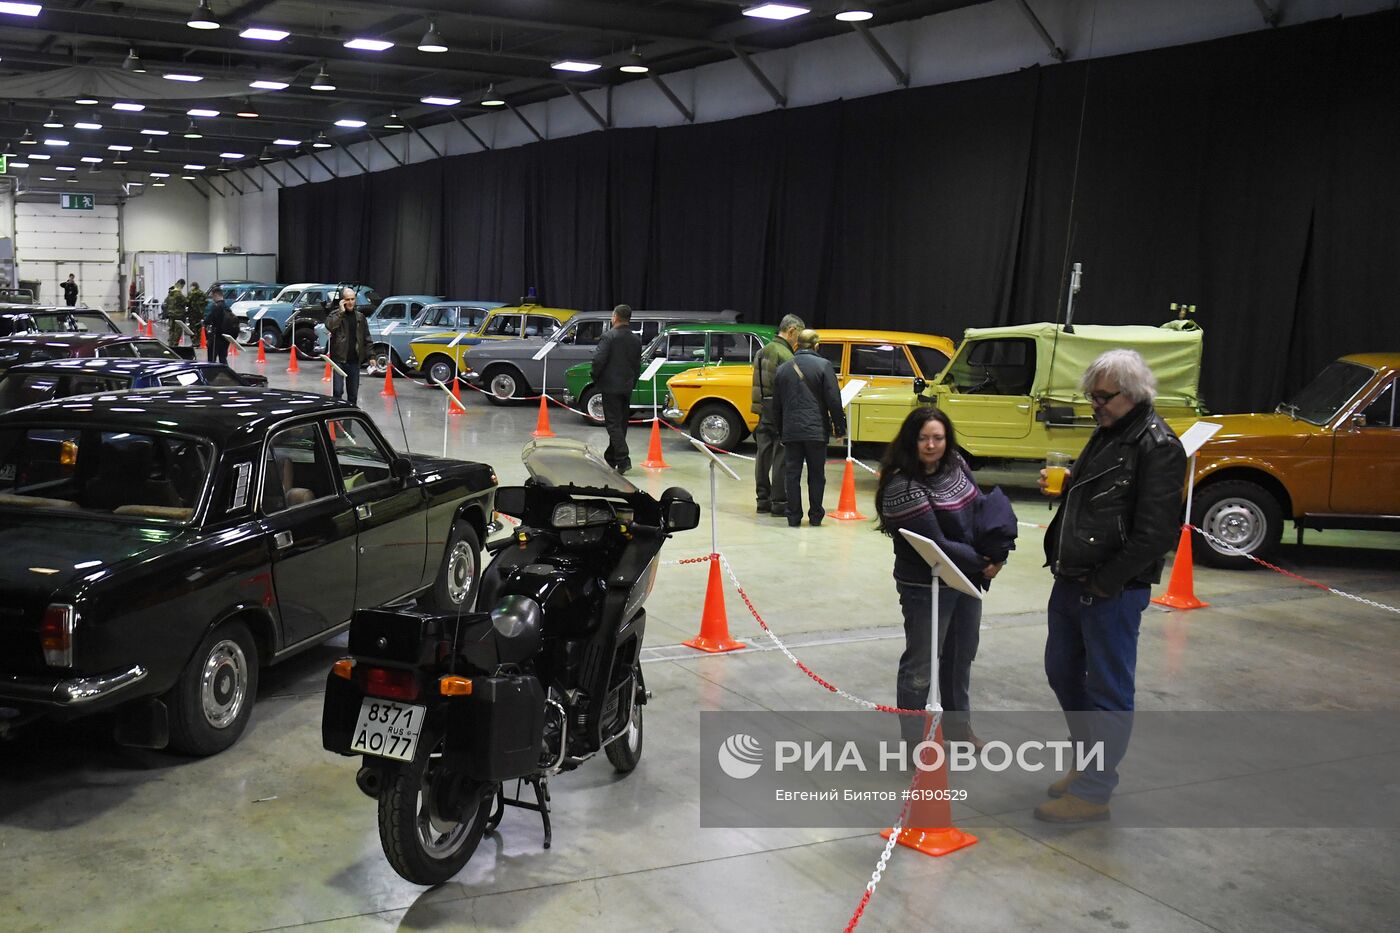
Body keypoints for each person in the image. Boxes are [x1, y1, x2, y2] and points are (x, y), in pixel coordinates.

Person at [1035, 349, 1185, 823]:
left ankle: (1096, 789)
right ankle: (1087, 766)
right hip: (1072, 579)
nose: (1093, 404)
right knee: (1062, 672)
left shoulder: (1157, 445)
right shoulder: (1109, 432)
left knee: (1108, 690)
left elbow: (1156, 534)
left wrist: (1103, 583)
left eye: (1102, 396)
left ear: (1132, 393)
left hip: (1111, 590)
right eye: (1091, 395)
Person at [875, 407, 1013, 751]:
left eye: (938, 437)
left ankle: (957, 727)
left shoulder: (954, 462)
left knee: (960, 654)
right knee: (921, 663)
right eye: (924, 438)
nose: (931, 445)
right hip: (926, 585)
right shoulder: (901, 483)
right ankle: (913, 743)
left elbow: (981, 508)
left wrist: (999, 550)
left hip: (964, 579)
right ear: (912, 440)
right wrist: (984, 563)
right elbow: (935, 543)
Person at [770, 329, 844, 527]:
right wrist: (840, 427)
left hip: (791, 430)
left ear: (797, 345)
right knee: (817, 474)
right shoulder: (824, 365)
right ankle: (815, 516)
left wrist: (781, 430)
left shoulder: (783, 369)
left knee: (792, 474)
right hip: (815, 430)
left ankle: (793, 517)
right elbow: (834, 400)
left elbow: (776, 405)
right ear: (816, 345)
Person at [751, 314, 803, 516]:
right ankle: (779, 502)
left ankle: (762, 499)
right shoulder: (787, 356)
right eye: (797, 335)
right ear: (791, 331)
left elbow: (759, 385)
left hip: (764, 409)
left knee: (762, 454)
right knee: (781, 456)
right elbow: (793, 388)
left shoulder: (762, 351)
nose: (798, 341)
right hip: (781, 412)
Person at [590, 303, 642, 473]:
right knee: (621, 424)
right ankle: (611, 458)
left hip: (610, 387)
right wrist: (632, 383)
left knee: (612, 424)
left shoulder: (608, 337)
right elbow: (637, 365)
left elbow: (598, 360)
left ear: (615, 317)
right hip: (627, 386)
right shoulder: (636, 339)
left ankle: (623, 458)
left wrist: (595, 376)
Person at [326, 286, 371, 405]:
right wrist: (340, 312)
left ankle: (350, 419)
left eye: (353, 299)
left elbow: (367, 337)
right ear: (342, 300)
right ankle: (336, 419)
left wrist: (371, 356)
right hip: (338, 360)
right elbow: (330, 326)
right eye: (347, 299)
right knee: (337, 391)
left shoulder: (360, 317)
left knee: (353, 395)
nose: (350, 302)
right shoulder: (334, 315)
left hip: (354, 361)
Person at [203, 287, 237, 364]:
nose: (212, 299)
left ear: (215, 295)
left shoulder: (216, 307)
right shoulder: (227, 307)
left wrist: (204, 322)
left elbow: (208, 320)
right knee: (223, 358)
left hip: (216, 336)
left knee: (211, 359)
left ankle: (211, 374)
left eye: (212, 296)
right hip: (225, 337)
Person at [161, 279, 187, 345]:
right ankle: (175, 348)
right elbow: (186, 302)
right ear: (181, 285)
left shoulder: (170, 293)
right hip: (178, 316)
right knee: (177, 333)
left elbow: (166, 302)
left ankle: (170, 346)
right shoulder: (179, 294)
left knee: (171, 332)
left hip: (171, 316)